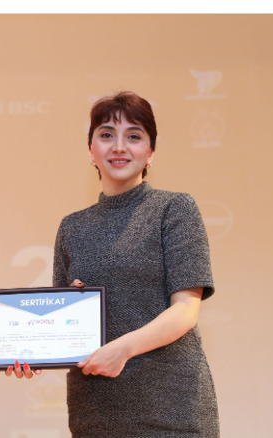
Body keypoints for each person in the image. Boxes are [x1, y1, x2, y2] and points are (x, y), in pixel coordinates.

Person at [52, 91, 219, 437]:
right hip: (94, 411)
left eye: (133, 136)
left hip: (171, 409)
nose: (119, 147)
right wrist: (28, 354)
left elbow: (185, 310)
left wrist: (123, 349)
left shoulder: (175, 209)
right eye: (106, 135)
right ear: (91, 149)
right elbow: (58, 329)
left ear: (150, 151)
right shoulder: (72, 227)